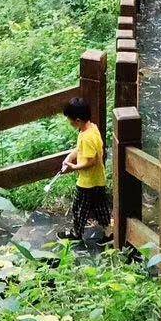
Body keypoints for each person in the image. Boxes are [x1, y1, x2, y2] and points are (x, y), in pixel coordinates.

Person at [57, 97, 110, 242]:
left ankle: (76, 234)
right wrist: (69, 157)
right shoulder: (92, 128)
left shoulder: (86, 137)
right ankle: (108, 234)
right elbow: (80, 150)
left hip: (86, 182)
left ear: (78, 120)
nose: (69, 123)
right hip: (98, 179)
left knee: (78, 208)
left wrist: (74, 167)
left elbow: (91, 161)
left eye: (70, 120)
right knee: (101, 208)